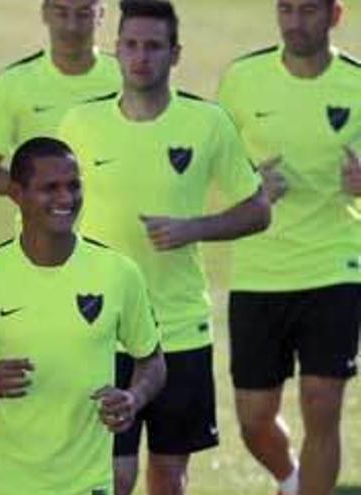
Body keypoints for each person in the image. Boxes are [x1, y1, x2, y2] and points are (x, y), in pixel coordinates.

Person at [58, 1, 271, 494]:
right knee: (112, 473)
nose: (140, 57)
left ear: (175, 54)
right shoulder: (79, 124)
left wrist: (194, 228)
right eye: (131, 45)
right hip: (98, 326)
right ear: (115, 50)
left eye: (153, 46)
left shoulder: (207, 123)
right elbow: (48, 207)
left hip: (179, 328)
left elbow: (259, 209)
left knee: (170, 471)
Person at [0, 137, 166, 495]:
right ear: (16, 194)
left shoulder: (118, 273)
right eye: (50, 188)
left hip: (87, 485)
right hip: (2, 484)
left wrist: (134, 398)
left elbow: (153, 360)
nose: (66, 199)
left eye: (73, 186)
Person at [217, 1, 361, 494]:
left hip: (335, 264)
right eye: (286, 10)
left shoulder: (357, 83)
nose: (295, 23)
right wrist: (250, 185)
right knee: (254, 419)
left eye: (308, 11)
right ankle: (291, 478)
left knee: (323, 405)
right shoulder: (242, 78)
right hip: (260, 269)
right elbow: (213, 164)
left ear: (335, 16)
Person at [0, 0, 120, 196]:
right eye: (61, 13)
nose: (71, 27)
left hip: (113, 226)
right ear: (45, 13)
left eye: (83, 14)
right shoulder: (13, 82)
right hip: (40, 227)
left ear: (101, 14)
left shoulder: (128, 78)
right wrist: (36, 191)